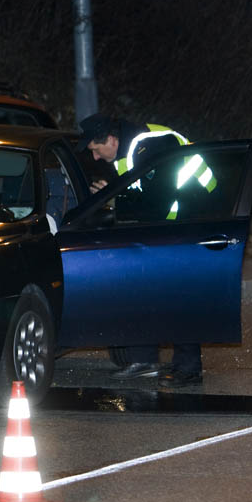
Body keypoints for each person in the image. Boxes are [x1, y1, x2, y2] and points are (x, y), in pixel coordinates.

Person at [76, 112, 217, 388]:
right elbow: (144, 193)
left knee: (178, 296)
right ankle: (144, 360)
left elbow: (158, 202)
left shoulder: (151, 146)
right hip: (170, 222)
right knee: (143, 286)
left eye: (95, 149)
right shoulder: (131, 150)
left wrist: (115, 200)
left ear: (112, 140)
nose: (94, 158)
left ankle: (188, 368)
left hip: (196, 219)